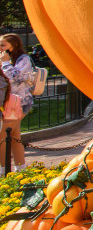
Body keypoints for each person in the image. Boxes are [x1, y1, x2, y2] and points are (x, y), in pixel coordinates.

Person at [0, 33, 34, 173]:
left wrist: (6, 63)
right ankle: (21, 170)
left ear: (13, 46)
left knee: (3, 137)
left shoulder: (23, 59)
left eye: (3, 45)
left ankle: (3, 172)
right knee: (14, 136)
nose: (0, 48)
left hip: (17, 104)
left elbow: (16, 78)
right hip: (9, 103)